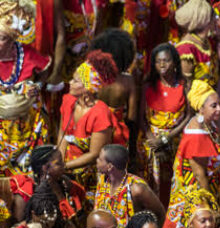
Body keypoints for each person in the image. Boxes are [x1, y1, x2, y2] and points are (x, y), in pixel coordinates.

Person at [160, 80, 220, 228]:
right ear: (200, 108)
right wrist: (212, 207)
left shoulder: (207, 125)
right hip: (197, 195)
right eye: (214, 106)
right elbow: (199, 174)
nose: (219, 108)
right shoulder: (197, 135)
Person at [57, 50, 120, 197]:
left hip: (88, 175)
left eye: (76, 81)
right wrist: (58, 161)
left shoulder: (100, 113)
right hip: (65, 167)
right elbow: (63, 134)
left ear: (88, 87)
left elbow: (94, 154)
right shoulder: (68, 101)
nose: (70, 83)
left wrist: (64, 167)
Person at [0, 0, 51, 176]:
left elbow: (44, 75)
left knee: (28, 180)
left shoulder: (27, 54)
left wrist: (36, 86)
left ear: (13, 38)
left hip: (28, 131)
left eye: (2, 38)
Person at [138, 43, 189, 203]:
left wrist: (167, 138)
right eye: (158, 61)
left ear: (174, 62)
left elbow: (188, 116)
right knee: (151, 158)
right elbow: (141, 118)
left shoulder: (184, 85)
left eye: (166, 61)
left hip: (174, 138)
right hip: (151, 138)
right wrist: (152, 138)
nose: (162, 65)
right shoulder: (147, 86)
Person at [95, 144, 165, 228]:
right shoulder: (103, 180)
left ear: (110, 166)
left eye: (100, 159)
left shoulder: (136, 189)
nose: (96, 161)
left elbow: (160, 213)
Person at [10, 145, 87, 228]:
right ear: (45, 168)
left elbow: (82, 205)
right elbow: (20, 227)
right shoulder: (28, 191)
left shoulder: (64, 183)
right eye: (59, 163)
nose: (64, 165)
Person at [90, 29, 137, 159]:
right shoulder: (128, 81)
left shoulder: (93, 78)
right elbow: (132, 117)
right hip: (118, 134)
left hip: (94, 130)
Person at [175, 0, 220, 87]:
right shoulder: (186, 49)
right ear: (204, 20)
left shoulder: (207, 40)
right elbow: (186, 86)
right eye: (214, 17)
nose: (216, 20)